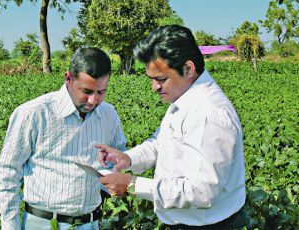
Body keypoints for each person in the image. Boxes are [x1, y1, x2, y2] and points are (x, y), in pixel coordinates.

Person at [95, 25, 250, 229]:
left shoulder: (207, 114)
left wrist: (132, 185)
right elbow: (160, 143)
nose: (155, 87)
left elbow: (202, 192)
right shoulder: (184, 98)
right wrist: (128, 158)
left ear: (188, 69)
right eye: (152, 79)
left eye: (161, 79)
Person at [0, 47, 127, 230]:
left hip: (90, 223)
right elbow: (9, 172)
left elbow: (120, 154)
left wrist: (117, 172)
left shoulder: (109, 114)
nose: (93, 100)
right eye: (87, 91)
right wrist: (10, 225)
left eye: (101, 92)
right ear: (68, 78)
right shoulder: (34, 113)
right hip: (43, 223)